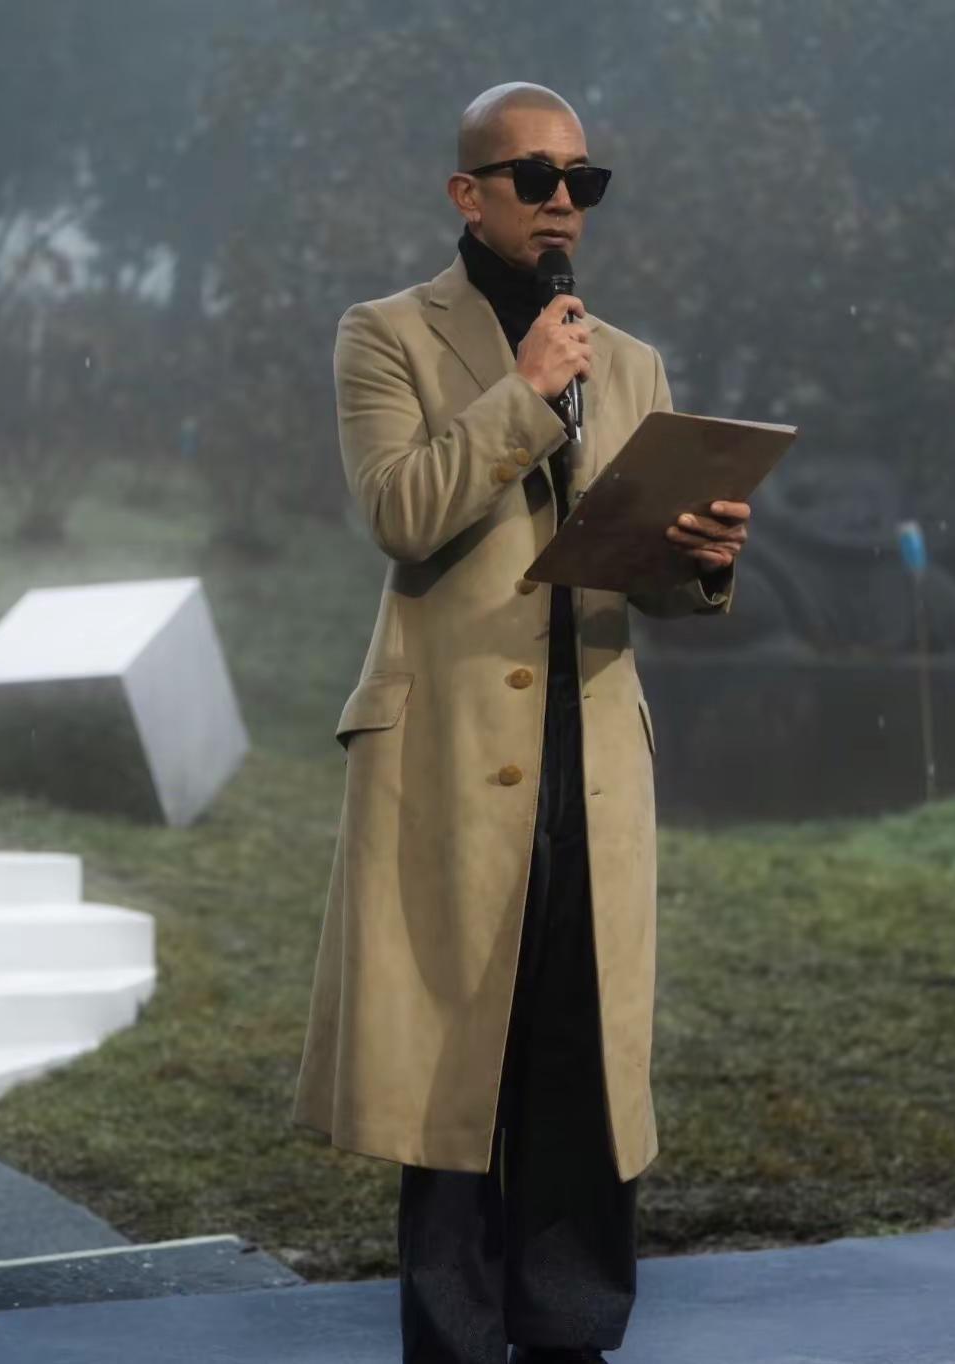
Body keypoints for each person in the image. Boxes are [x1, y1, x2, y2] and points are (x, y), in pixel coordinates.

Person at [292, 81, 752, 1363]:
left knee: (580, 1060)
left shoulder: (633, 362)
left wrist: (703, 557)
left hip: (590, 755)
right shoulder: (386, 334)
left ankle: (572, 1334)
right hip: (444, 755)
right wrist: (526, 390)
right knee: (455, 1067)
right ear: (469, 193)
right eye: (535, 178)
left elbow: (649, 579)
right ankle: (454, 1339)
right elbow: (401, 511)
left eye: (581, 182)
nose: (562, 203)